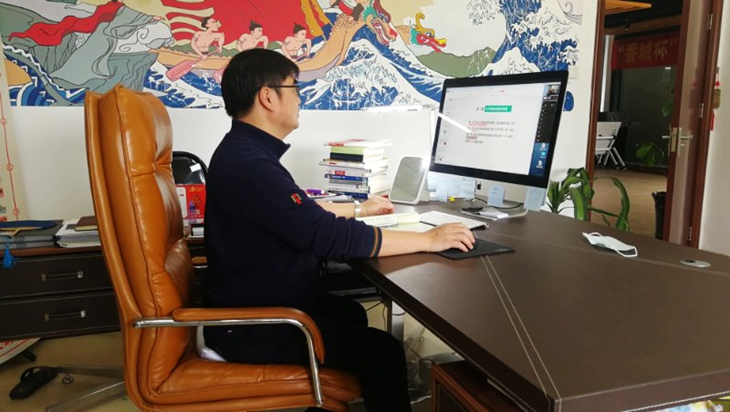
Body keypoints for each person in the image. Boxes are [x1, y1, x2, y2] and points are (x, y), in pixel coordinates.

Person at [203, 48, 475, 411]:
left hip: (261, 305)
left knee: (350, 314)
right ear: (268, 97)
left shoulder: (243, 152)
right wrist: (428, 239)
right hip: (257, 325)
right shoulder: (251, 165)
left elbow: (296, 211)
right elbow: (329, 237)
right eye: (294, 88)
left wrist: (360, 208)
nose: (300, 98)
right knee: (384, 353)